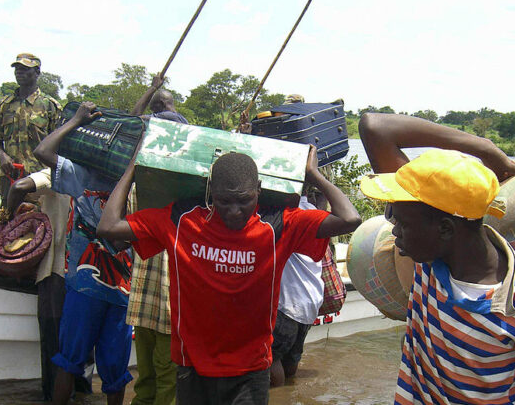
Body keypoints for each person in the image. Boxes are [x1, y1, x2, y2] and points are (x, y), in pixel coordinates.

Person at [97, 148, 361, 404]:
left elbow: (350, 219)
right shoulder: (182, 221)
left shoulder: (278, 225)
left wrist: (312, 174)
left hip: (251, 370)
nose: (234, 210)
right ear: (211, 191)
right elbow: (108, 227)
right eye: (224, 201)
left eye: (244, 200)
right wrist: (132, 169)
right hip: (193, 367)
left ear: (258, 189)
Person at [359, 114, 515, 405]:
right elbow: (374, 126)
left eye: (401, 223)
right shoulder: (427, 263)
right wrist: (487, 150)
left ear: (446, 229)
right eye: (391, 217)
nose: (393, 230)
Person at [33, 102, 134, 405]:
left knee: (83, 363)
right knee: (91, 365)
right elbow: (42, 153)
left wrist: (75, 122)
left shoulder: (87, 176)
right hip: (100, 287)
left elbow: (43, 151)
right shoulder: (98, 177)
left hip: (104, 288)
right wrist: (76, 121)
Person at [127, 82, 190, 405]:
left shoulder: (144, 183)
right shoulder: (152, 185)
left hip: (163, 302)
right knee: (155, 379)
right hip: (152, 299)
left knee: (160, 378)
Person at [6, 169, 92, 401]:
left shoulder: (58, 172)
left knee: (55, 344)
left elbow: (18, 187)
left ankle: (56, 397)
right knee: (84, 343)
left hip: (57, 271)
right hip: (91, 273)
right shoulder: (104, 174)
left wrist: (5, 220)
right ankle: (82, 393)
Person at [269, 187, 326, 387]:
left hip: (288, 303)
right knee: (291, 359)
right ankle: (290, 396)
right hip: (309, 303)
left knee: (271, 360)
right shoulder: (313, 212)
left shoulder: (286, 215)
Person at [0, 52, 61, 204]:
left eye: (25, 69)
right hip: (9, 178)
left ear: (37, 73)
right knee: (6, 222)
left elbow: (60, 147)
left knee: (39, 224)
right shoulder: (5, 105)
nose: (19, 73)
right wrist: (2, 156)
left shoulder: (50, 106)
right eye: (17, 69)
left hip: (38, 180)